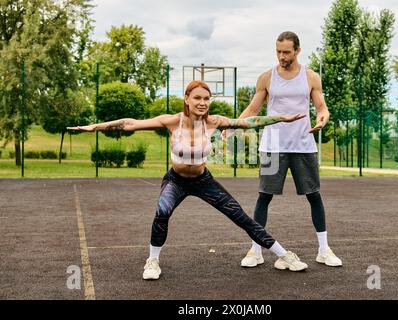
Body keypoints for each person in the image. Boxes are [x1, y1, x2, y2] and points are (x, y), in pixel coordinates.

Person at [68, 80, 310, 280]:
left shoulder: (214, 122)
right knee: (162, 211)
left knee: (240, 216)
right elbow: (130, 124)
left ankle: (284, 254)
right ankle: (152, 261)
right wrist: (95, 127)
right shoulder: (173, 121)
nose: (203, 103)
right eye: (197, 98)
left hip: (203, 181)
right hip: (176, 181)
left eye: (206, 98)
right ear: (186, 99)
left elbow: (250, 122)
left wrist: (281, 118)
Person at [238, 31, 342, 268]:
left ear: (297, 51)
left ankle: (324, 250)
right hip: (273, 146)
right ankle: (255, 251)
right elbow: (253, 109)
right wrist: (232, 125)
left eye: (286, 52)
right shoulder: (266, 78)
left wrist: (323, 119)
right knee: (264, 196)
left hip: (303, 145)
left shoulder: (311, 77)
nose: (281, 56)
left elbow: (322, 107)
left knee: (314, 195)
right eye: (278, 51)